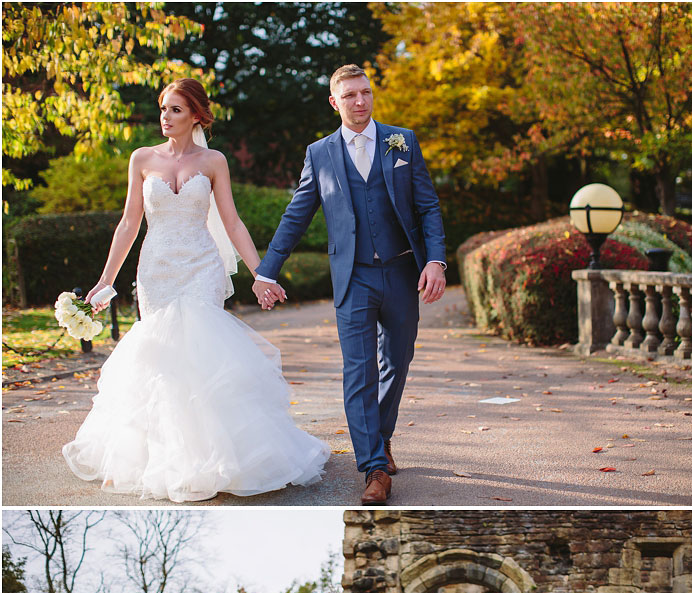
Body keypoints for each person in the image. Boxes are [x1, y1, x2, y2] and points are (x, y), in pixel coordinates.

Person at [65, 78, 328, 502]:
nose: (165, 118)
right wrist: (106, 280)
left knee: (204, 352)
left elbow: (232, 222)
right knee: (163, 359)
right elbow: (130, 223)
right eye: (163, 109)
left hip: (202, 268)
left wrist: (262, 273)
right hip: (157, 271)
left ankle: (221, 457)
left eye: (175, 110)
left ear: (196, 116)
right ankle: (159, 457)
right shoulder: (141, 158)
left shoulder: (214, 161)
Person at [252, 64, 446, 506]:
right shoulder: (319, 153)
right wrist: (267, 270)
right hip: (353, 277)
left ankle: (381, 436)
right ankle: (374, 469)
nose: (360, 102)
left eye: (366, 93)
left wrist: (435, 260)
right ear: (334, 102)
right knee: (358, 371)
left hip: (400, 272)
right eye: (350, 95)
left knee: (395, 362)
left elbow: (428, 207)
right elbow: (296, 215)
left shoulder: (402, 141)